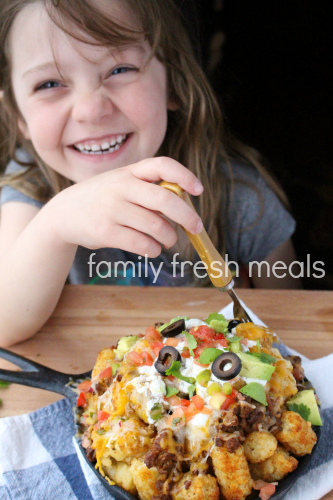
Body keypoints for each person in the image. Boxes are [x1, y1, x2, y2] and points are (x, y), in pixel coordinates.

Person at [0, 0, 300, 347]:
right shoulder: (31, 189)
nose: (91, 109)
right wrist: (53, 226)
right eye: (49, 84)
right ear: (17, 114)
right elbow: (5, 327)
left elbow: (295, 325)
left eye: (120, 69)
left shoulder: (241, 198)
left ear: (174, 82)